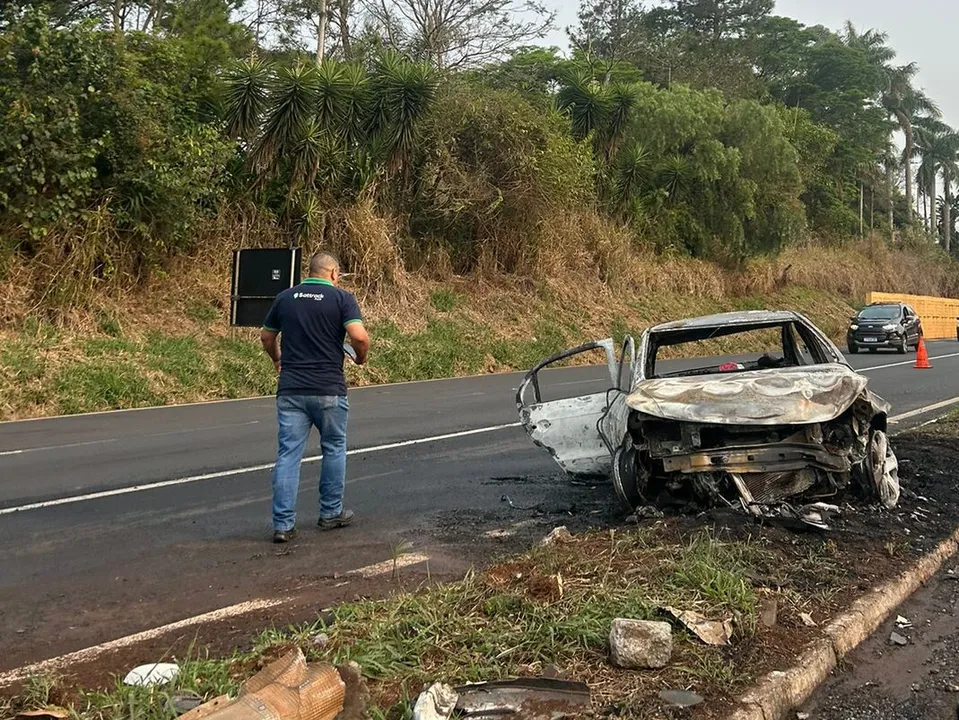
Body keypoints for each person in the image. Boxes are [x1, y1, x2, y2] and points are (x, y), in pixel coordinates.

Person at [260, 251, 370, 543]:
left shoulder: (285, 298)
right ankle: (330, 513)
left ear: (309, 271)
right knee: (333, 447)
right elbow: (358, 336)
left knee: (288, 455)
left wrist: (277, 358)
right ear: (333, 273)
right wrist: (360, 358)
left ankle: (283, 525)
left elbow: (266, 337)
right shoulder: (342, 299)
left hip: (292, 389)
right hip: (328, 389)